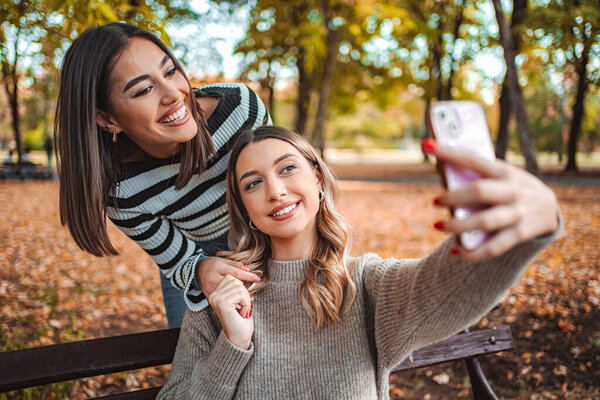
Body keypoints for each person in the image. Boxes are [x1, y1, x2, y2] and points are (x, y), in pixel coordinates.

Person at [157, 126, 562, 399]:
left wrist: (535, 221)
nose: (276, 191)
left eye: (288, 169)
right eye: (254, 183)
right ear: (243, 207)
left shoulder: (366, 283)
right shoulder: (220, 297)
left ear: (317, 179)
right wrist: (234, 344)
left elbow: (445, 287)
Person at [54, 22, 270, 328]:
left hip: (261, 232)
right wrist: (200, 270)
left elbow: (281, 190)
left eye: (170, 72)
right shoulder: (120, 190)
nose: (173, 94)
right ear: (107, 119)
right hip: (192, 254)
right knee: (192, 358)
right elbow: (180, 260)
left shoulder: (240, 109)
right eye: (143, 89)